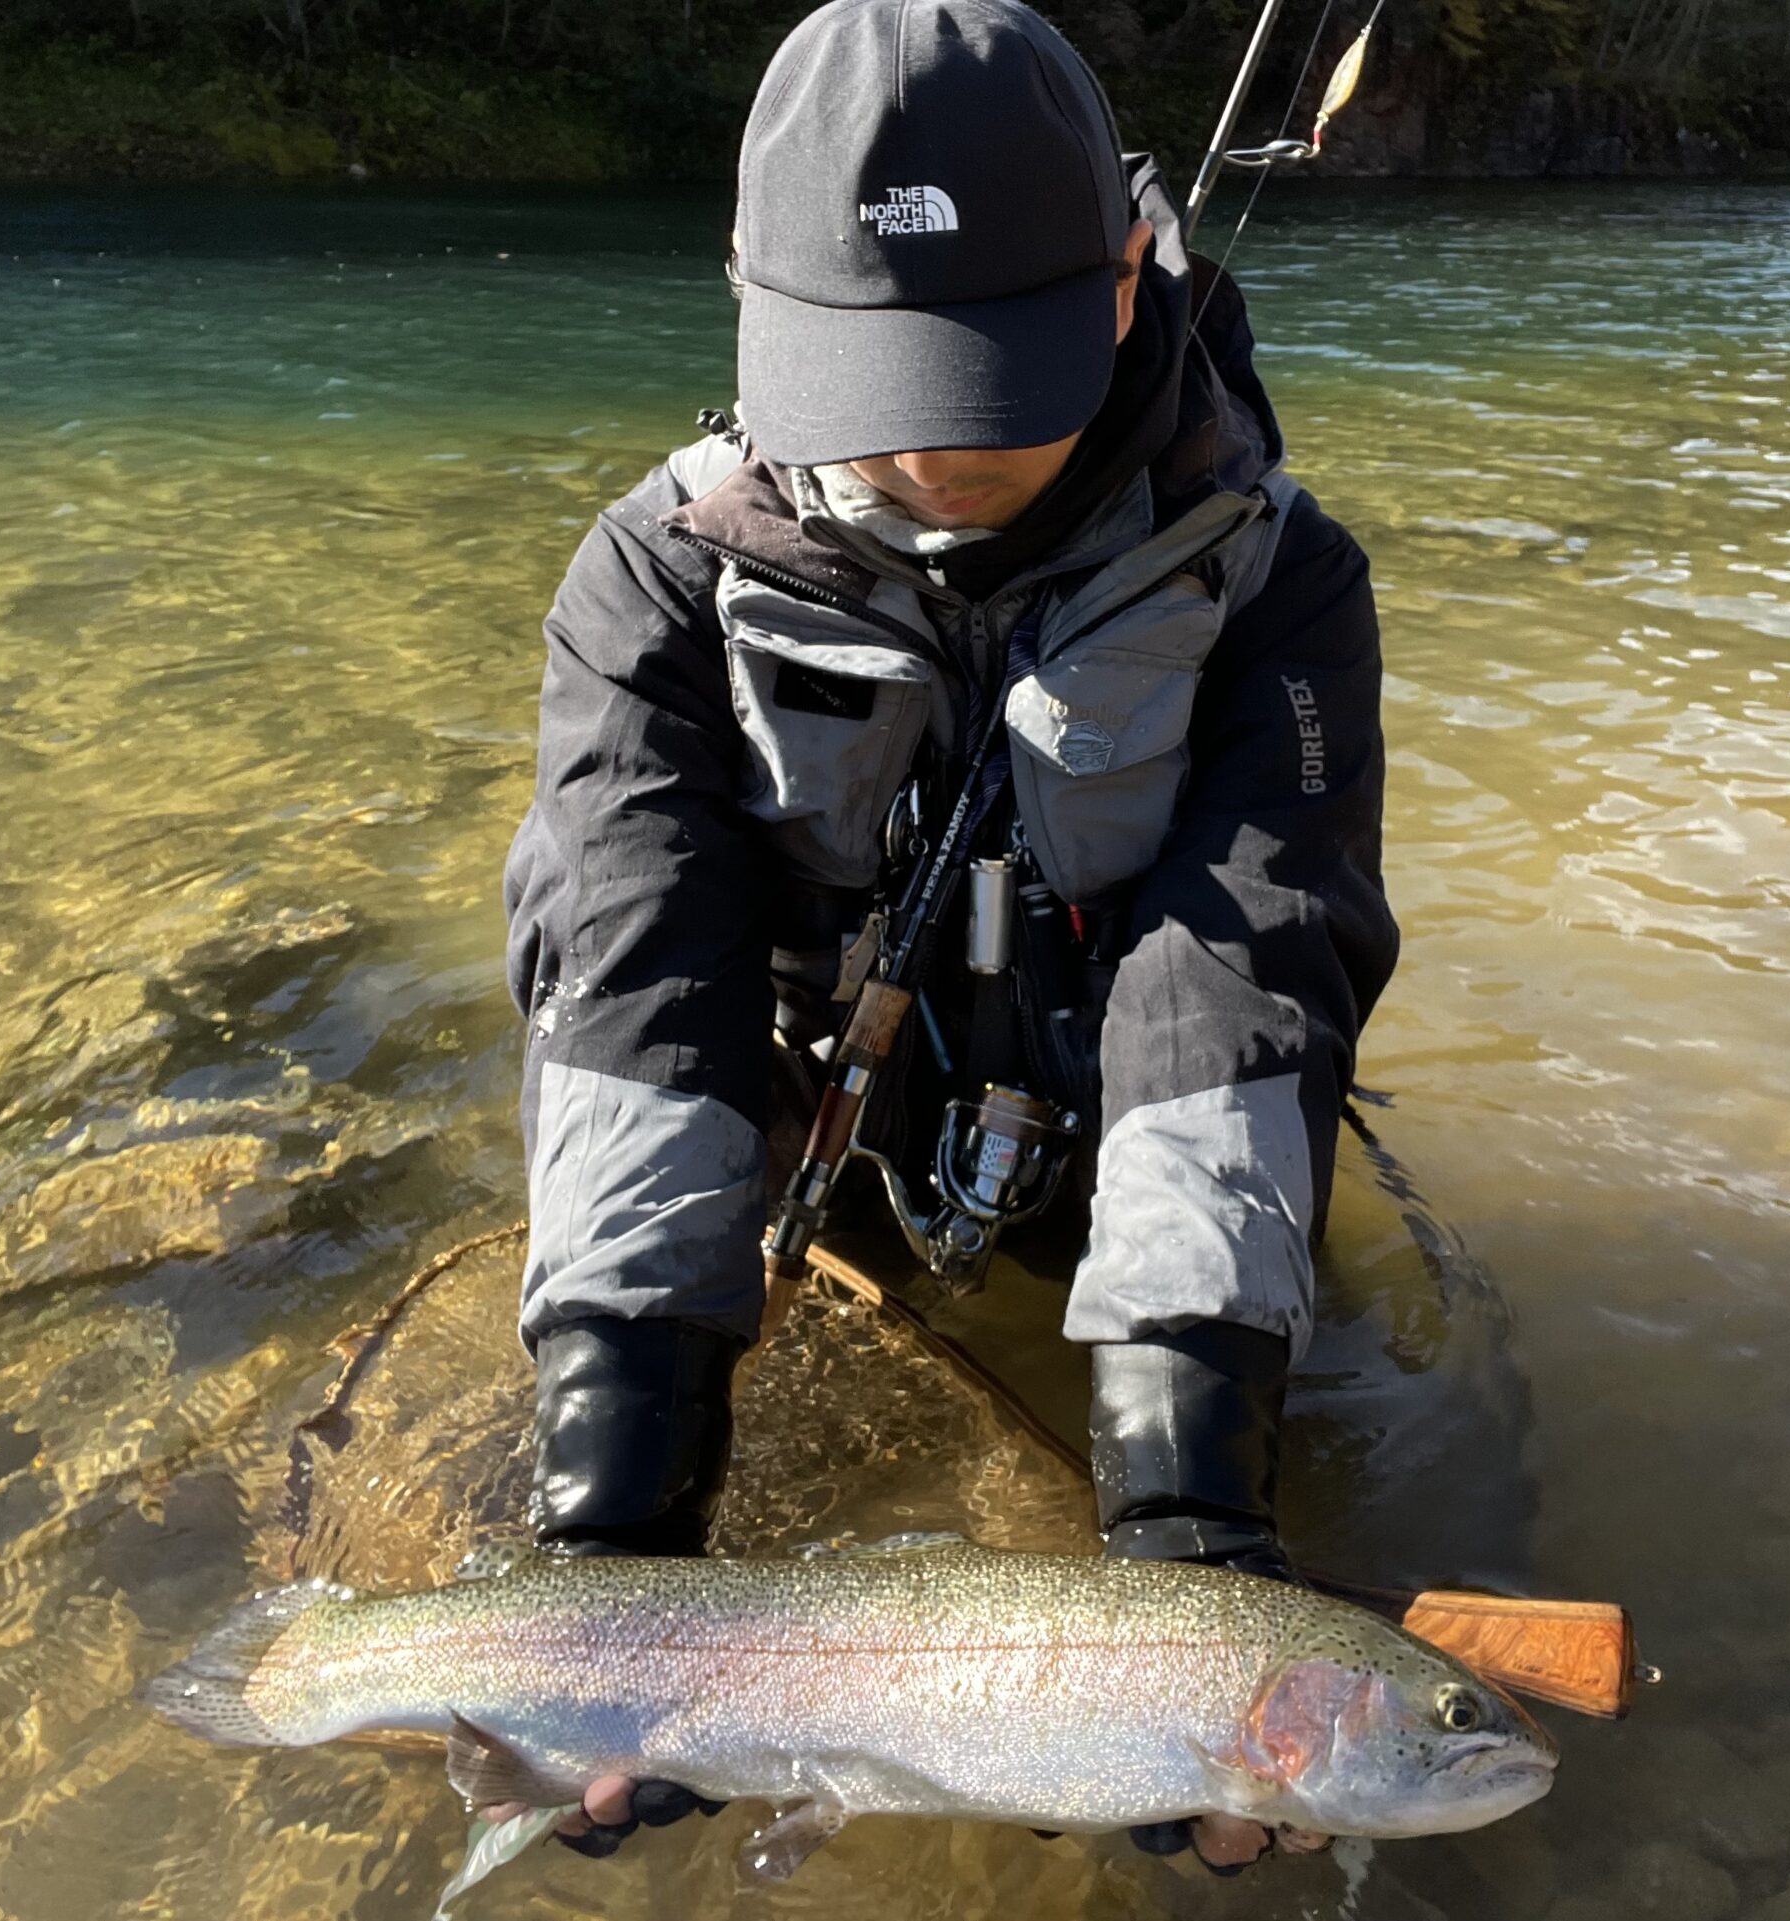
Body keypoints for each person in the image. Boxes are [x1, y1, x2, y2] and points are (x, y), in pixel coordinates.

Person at [498, 0, 1397, 1875]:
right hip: (795, 1129)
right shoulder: (651, 582)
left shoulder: (1276, 579)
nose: (933, 453)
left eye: (995, 371)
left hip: (1114, 1140)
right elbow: (633, 984)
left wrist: (1186, 1505)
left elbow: (1235, 984)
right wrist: (617, 1484)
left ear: (1133, 279)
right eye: (878, 384)